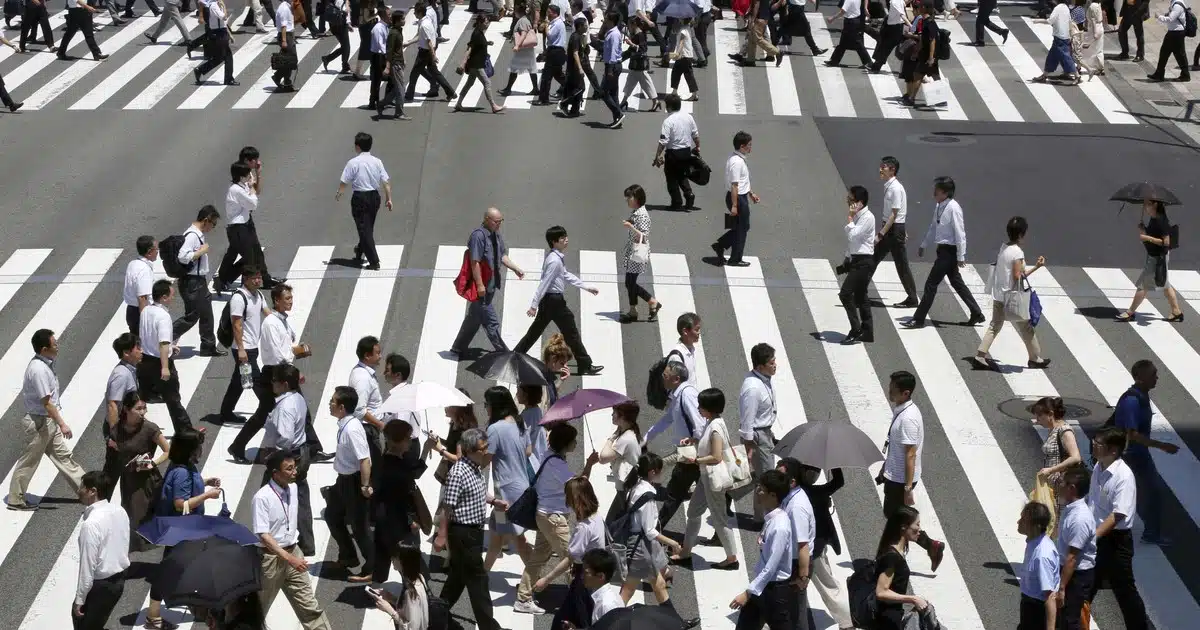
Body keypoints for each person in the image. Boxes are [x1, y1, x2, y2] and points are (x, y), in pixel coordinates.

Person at [252, 451, 332, 629]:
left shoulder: (294, 488)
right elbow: (263, 535)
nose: (295, 471)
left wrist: (295, 554)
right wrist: (289, 558)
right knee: (257, 610)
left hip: (293, 552)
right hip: (270, 560)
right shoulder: (262, 498)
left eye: (294, 467)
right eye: (289, 469)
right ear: (275, 473)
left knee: (310, 608)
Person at [150, 428, 220, 629]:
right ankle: (154, 616)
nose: (201, 450)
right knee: (170, 570)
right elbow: (180, 504)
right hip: (182, 530)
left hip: (189, 529)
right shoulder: (182, 472)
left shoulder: (185, 466)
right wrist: (208, 495)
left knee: (187, 568)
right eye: (198, 447)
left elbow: (189, 486)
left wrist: (205, 482)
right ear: (190, 450)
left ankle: (199, 607)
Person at [9, 328, 85, 511]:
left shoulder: (44, 364)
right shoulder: (38, 370)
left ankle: (88, 491)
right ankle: (15, 499)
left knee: (64, 457)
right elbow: (47, 403)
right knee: (29, 461)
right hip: (39, 423)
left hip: (46, 422)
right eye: (54, 344)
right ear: (44, 349)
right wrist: (63, 424)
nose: (58, 347)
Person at [434, 428, 504, 630]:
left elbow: (477, 492)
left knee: (456, 580)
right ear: (471, 450)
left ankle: (435, 615)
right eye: (483, 448)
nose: (486, 451)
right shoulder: (458, 472)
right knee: (478, 582)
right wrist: (441, 535)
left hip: (472, 532)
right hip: (462, 534)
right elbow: (448, 507)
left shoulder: (475, 468)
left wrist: (494, 501)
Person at [513, 226, 603, 375]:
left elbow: (566, 275)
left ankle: (515, 357)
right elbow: (545, 283)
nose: (566, 239)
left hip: (551, 301)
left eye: (565, 236)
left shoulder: (555, 258)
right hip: (554, 301)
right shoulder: (554, 261)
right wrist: (533, 305)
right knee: (570, 332)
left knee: (536, 332)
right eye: (562, 238)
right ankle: (585, 364)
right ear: (554, 242)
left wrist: (586, 287)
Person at [879, 371, 945, 569]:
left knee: (896, 522)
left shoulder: (908, 419)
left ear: (905, 393)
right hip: (896, 474)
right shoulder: (902, 410)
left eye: (893, 390)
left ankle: (895, 559)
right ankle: (930, 545)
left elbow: (910, 454)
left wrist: (908, 488)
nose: (889, 392)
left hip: (901, 479)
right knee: (897, 518)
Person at [1086, 427, 1149, 630]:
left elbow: (1118, 514)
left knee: (1124, 590)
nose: (1093, 445)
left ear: (1113, 450)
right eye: (1094, 441)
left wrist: (1093, 537)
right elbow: (1093, 502)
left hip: (1115, 541)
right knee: (1084, 586)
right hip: (1097, 535)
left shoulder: (1123, 477)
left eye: (1098, 443)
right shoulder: (1099, 466)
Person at [1110, 359, 1178, 546]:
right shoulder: (1132, 401)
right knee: (1153, 491)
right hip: (1131, 454)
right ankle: (1150, 533)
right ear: (1140, 378)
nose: (1156, 378)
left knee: (1133, 491)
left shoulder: (1141, 395)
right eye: (1153, 375)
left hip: (1134, 453)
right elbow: (1132, 434)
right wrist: (1162, 445)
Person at [904, 176, 985, 329]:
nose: (934, 193)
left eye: (938, 190)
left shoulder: (954, 208)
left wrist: (961, 256)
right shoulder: (939, 206)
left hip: (949, 252)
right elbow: (933, 227)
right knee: (956, 282)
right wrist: (924, 244)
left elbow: (960, 233)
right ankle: (976, 312)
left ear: (946, 192)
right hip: (942, 250)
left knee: (931, 284)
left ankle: (919, 318)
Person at [779, 459, 851, 630]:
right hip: (817, 545)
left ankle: (847, 622)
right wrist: (834, 461)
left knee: (827, 586)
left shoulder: (798, 493)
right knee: (826, 585)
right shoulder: (818, 492)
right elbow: (838, 481)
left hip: (810, 550)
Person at [516, 424, 580, 614]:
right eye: (574, 440)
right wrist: (591, 464)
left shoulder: (550, 455)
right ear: (565, 443)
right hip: (553, 518)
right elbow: (577, 487)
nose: (576, 443)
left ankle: (523, 597)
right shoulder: (557, 464)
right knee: (572, 558)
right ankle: (579, 601)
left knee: (539, 557)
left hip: (544, 515)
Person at [972, 216, 1050, 370]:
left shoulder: (1004, 248)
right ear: (1021, 234)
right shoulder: (1017, 253)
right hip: (1013, 297)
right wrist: (1037, 267)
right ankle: (1035, 359)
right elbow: (1017, 277)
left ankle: (980, 356)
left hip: (1000, 294)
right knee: (1026, 326)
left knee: (995, 326)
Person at [674, 388, 739, 569]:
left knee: (719, 518)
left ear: (709, 408)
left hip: (713, 480)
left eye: (701, 405)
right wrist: (694, 441)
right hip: (706, 478)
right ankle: (686, 551)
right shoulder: (713, 422)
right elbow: (708, 445)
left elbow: (716, 456)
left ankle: (732, 559)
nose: (698, 408)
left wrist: (696, 460)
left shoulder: (716, 428)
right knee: (693, 512)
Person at [451, 208, 526, 356]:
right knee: (491, 321)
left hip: (490, 285)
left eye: (500, 221)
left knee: (474, 317)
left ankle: (458, 347)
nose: (499, 224)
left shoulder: (495, 235)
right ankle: (503, 352)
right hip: (483, 287)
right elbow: (475, 262)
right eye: (496, 221)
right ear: (486, 219)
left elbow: (502, 255)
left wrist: (515, 268)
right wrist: (479, 285)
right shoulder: (478, 237)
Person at [537, 477, 607, 630]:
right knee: (576, 617)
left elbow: (570, 558)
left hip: (584, 578)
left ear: (577, 501)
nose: (568, 504)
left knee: (572, 619)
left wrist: (546, 579)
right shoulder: (596, 516)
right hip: (593, 575)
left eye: (569, 499)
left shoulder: (584, 528)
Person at [729, 470, 796, 630]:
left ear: (773, 495)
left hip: (774, 592)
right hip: (763, 586)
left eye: (761, 490)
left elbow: (771, 566)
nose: (757, 492)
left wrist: (748, 592)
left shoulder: (779, 527)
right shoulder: (771, 518)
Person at [107, 392, 170, 553]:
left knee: (140, 515)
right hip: (128, 478)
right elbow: (114, 450)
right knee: (128, 514)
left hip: (146, 479)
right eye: (138, 408)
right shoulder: (118, 429)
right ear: (127, 409)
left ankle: (131, 549)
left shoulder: (150, 428)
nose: (142, 412)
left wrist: (151, 463)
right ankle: (130, 547)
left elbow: (167, 451)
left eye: (144, 408)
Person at [618, 453, 682, 604]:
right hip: (640, 547)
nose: (662, 474)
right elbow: (650, 531)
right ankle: (610, 619)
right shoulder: (647, 496)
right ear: (652, 472)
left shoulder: (635, 485)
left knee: (658, 584)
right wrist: (673, 543)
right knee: (628, 590)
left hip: (644, 544)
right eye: (661, 471)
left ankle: (674, 622)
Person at [482, 387, 535, 570]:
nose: (486, 408)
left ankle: (536, 581)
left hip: (506, 493)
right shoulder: (519, 422)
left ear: (495, 406)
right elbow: (528, 451)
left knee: (518, 539)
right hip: (520, 488)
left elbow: (485, 460)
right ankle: (481, 575)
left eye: (487, 404)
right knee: (497, 536)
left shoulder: (495, 429)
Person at [371, 420, 428, 585]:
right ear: (400, 440)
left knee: (384, 560)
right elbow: (406, 494)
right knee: (411, 566)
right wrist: (413, 521)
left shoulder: (382, 461)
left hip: (384, 520)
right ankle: (414, 599)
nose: (410, 441)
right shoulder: (399, 468)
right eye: (408, 438)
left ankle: (379, 591)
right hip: (401, 523)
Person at [328, 385, 375, 582]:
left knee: (360, 527)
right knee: (332, 516)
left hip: (354, 482)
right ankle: (348, 556)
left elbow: (365, 460)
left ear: (341, 407)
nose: (329, 404)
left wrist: (364, 486)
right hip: (342, 480)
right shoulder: (344, 425)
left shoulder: (352, 429)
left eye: (332, 401)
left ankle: (372, 567)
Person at [141, 280, 198, 434]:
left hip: (145, 359)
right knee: (173, 399)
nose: (173, 298)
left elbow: (148, 336)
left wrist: (170, 348)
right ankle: (185, 431)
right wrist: (165, 367)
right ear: (164, 297)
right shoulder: (163, 316)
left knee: (143, 396)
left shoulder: (146, 310)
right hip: (160, 361)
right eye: (172, 295)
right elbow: (163, 343)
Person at [73, 472, 129, 630]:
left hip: (100, 586)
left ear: (93, 491)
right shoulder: (120, 511)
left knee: (83, 624)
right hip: (118, 582)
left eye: (82, 487)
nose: (79, 491)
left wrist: (80, 598)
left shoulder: (90, 524)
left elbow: (87, 565)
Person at [1114, 200, 1183, 322]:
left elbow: (1166, 242)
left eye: (1147, 204)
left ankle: (1130, 312)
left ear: (1155, 205)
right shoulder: (1154, 218)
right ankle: (1176, 311)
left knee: (1143, 285)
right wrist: (1143, 229)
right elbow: (1153, 235)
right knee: (1165, 285)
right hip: (1154, 255)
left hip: (1158, 257)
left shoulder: (1161, 221)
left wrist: (1147, 237)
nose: (1145, 207)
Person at [335, 132, 394, 271]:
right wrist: (389, 198)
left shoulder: (353, 162)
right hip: (374, 197)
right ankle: (360, 250)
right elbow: (386, 181)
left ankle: (374, 261)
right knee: (368, 226)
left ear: (357, 146)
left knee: (364, 228)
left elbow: (344, 181)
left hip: (360, 198)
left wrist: (340, 193)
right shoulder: (377, 161)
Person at [172, 205, 225, 357]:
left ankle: (208, 346)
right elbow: (183, 256)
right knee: (193, 315)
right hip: (192, 282)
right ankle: (165, 337)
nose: (212, 228)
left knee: (206, 313)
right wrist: (201, 251)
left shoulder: (197, 234)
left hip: (197, 281)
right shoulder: (192, 236)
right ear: (206, 220)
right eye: (213, 224)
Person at [873, 506, 931, 630]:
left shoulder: (897, 551)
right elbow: (881, 592)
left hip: (891, 615)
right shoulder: (892, 557)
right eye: (917, 524)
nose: (919, 529)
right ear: (904, 527)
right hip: (887, 618)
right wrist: (913, 599)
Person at [1054, 466, 1096, 630]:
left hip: (1076, 576)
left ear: (1072, 488)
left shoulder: (1080, 518)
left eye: (1062, 483)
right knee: (1063, 618)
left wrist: (1062, 587)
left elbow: (1072, 558)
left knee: (1071, 620)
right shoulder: (1070, 509)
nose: (1059, 486)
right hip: (1068, 571)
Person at [873, 157, 917, 307]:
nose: (880, 169)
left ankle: (912, 298)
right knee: (875, 259)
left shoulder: (895, 188)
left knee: (899, 264)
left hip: (892, 230)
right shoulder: (890, 186)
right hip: (894, 229)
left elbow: (894, 213)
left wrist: (881, 234)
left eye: (883, 167)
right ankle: (912, 298)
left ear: (892, 169)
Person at [739, 343, 777, 511]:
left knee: (764, 477)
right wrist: (749, 446)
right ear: (760, 366)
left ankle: (760, 514)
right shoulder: (753, 388)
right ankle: (763, 516)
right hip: (757, 436)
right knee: (767, 478)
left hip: (765, 432)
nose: (775, 365)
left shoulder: (763, 378)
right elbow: (747, 421)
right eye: (771, 363)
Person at [712, 131, 757, 267]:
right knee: (743, 228)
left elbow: (743, 181)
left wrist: (751, 193)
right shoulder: (737, 163)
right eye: (749, 145)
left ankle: (721, 245)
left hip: (740, 196)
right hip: (737, 198)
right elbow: (734, 185)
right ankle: (735, 259)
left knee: (740, 227)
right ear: (742, 146)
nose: (751, 147)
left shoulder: (736, 158)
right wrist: (735, 205)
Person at [838, 185, 875, 344]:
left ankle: (856, 329)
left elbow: (853, 235)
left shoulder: (867, 217)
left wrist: (850, 219)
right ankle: (867, 332)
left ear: (859, 202)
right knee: (861, 296)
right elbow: (853, 242)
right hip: (856, 260)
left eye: (851, 200)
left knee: (845, 294)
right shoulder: (859, 216)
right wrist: (847, 258)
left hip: (864, 262)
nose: (848, 202)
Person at [619, 185, 661, 323]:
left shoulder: (642, 215)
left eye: (629, 197)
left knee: (630, 283)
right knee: (629, 282)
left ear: (637, 198)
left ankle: (651, 301)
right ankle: (633, 311)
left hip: (638, 253)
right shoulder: (637, 211)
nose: (627, 200)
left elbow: (644, 235)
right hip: (634, 251)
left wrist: (630, 226)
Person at [652, 95, 699, 211]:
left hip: (673, 154)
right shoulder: (689, 117)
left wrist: (657, 155)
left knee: (671, 177)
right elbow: (695, 135)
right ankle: (689, 194)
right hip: (686, 152)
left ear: (670, 106)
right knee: (682, 174)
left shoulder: (668, 121)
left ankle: (676, 202)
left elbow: (663, 141)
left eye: (666, 105)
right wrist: (698, 147)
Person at [1017, 501, 1059, 630]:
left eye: (1024, 520)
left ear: (1035, 526)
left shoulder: (1042, 556)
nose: (1018, 522)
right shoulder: (1035, 542)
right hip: (1030, 606)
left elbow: (1049, 596)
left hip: (1036, 611)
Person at [369, 547, 430, 630]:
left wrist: (388, 609)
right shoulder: (418, 578)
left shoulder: (411, 592)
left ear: (402, 562)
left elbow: (412, 628)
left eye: (394, 557)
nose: (391, 559)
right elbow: (409, 607)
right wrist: (391, 598)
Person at [455, 13, 505, 113]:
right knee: (487, 82)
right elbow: (469, 48)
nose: (488, 24)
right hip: (476, 64)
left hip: (476, 64)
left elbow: (478, 44)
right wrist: (463, 63)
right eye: (486, 22)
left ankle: (458, 103)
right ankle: (493, 106)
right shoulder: (477, 34)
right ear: (480, 23)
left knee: (469, 84)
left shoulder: (479, 32)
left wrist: (487, 43)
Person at [1032, 0, 1079, 84]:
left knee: (1066, 57)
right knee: (1052, 57)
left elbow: (1050, 21)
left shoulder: (1057, 8)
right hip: (1064, 36)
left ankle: (1077, 75)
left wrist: (1037, 21)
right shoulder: (1066, 8)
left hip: (1060, 37)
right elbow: (1069, 22)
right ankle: (1044, 75)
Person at [123, 236, 158, 336]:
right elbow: (142, 298)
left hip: (131, 311)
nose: (158, 252)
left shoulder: (133, 264)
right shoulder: (144, 269)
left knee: (136, 343)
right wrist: (145, 322)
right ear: (150, 251)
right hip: (140, 312)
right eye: (156, 249)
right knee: (144, 345)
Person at [1149, 0, 1189, 82]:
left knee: (1180, 54)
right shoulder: (1175, 3)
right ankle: (1159, 73)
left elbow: (1171, 19)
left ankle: (1185, 75)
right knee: (1164, 52)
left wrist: (1159, 17)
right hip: (1172, 32)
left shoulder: (1177, 5)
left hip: (1177, 33)